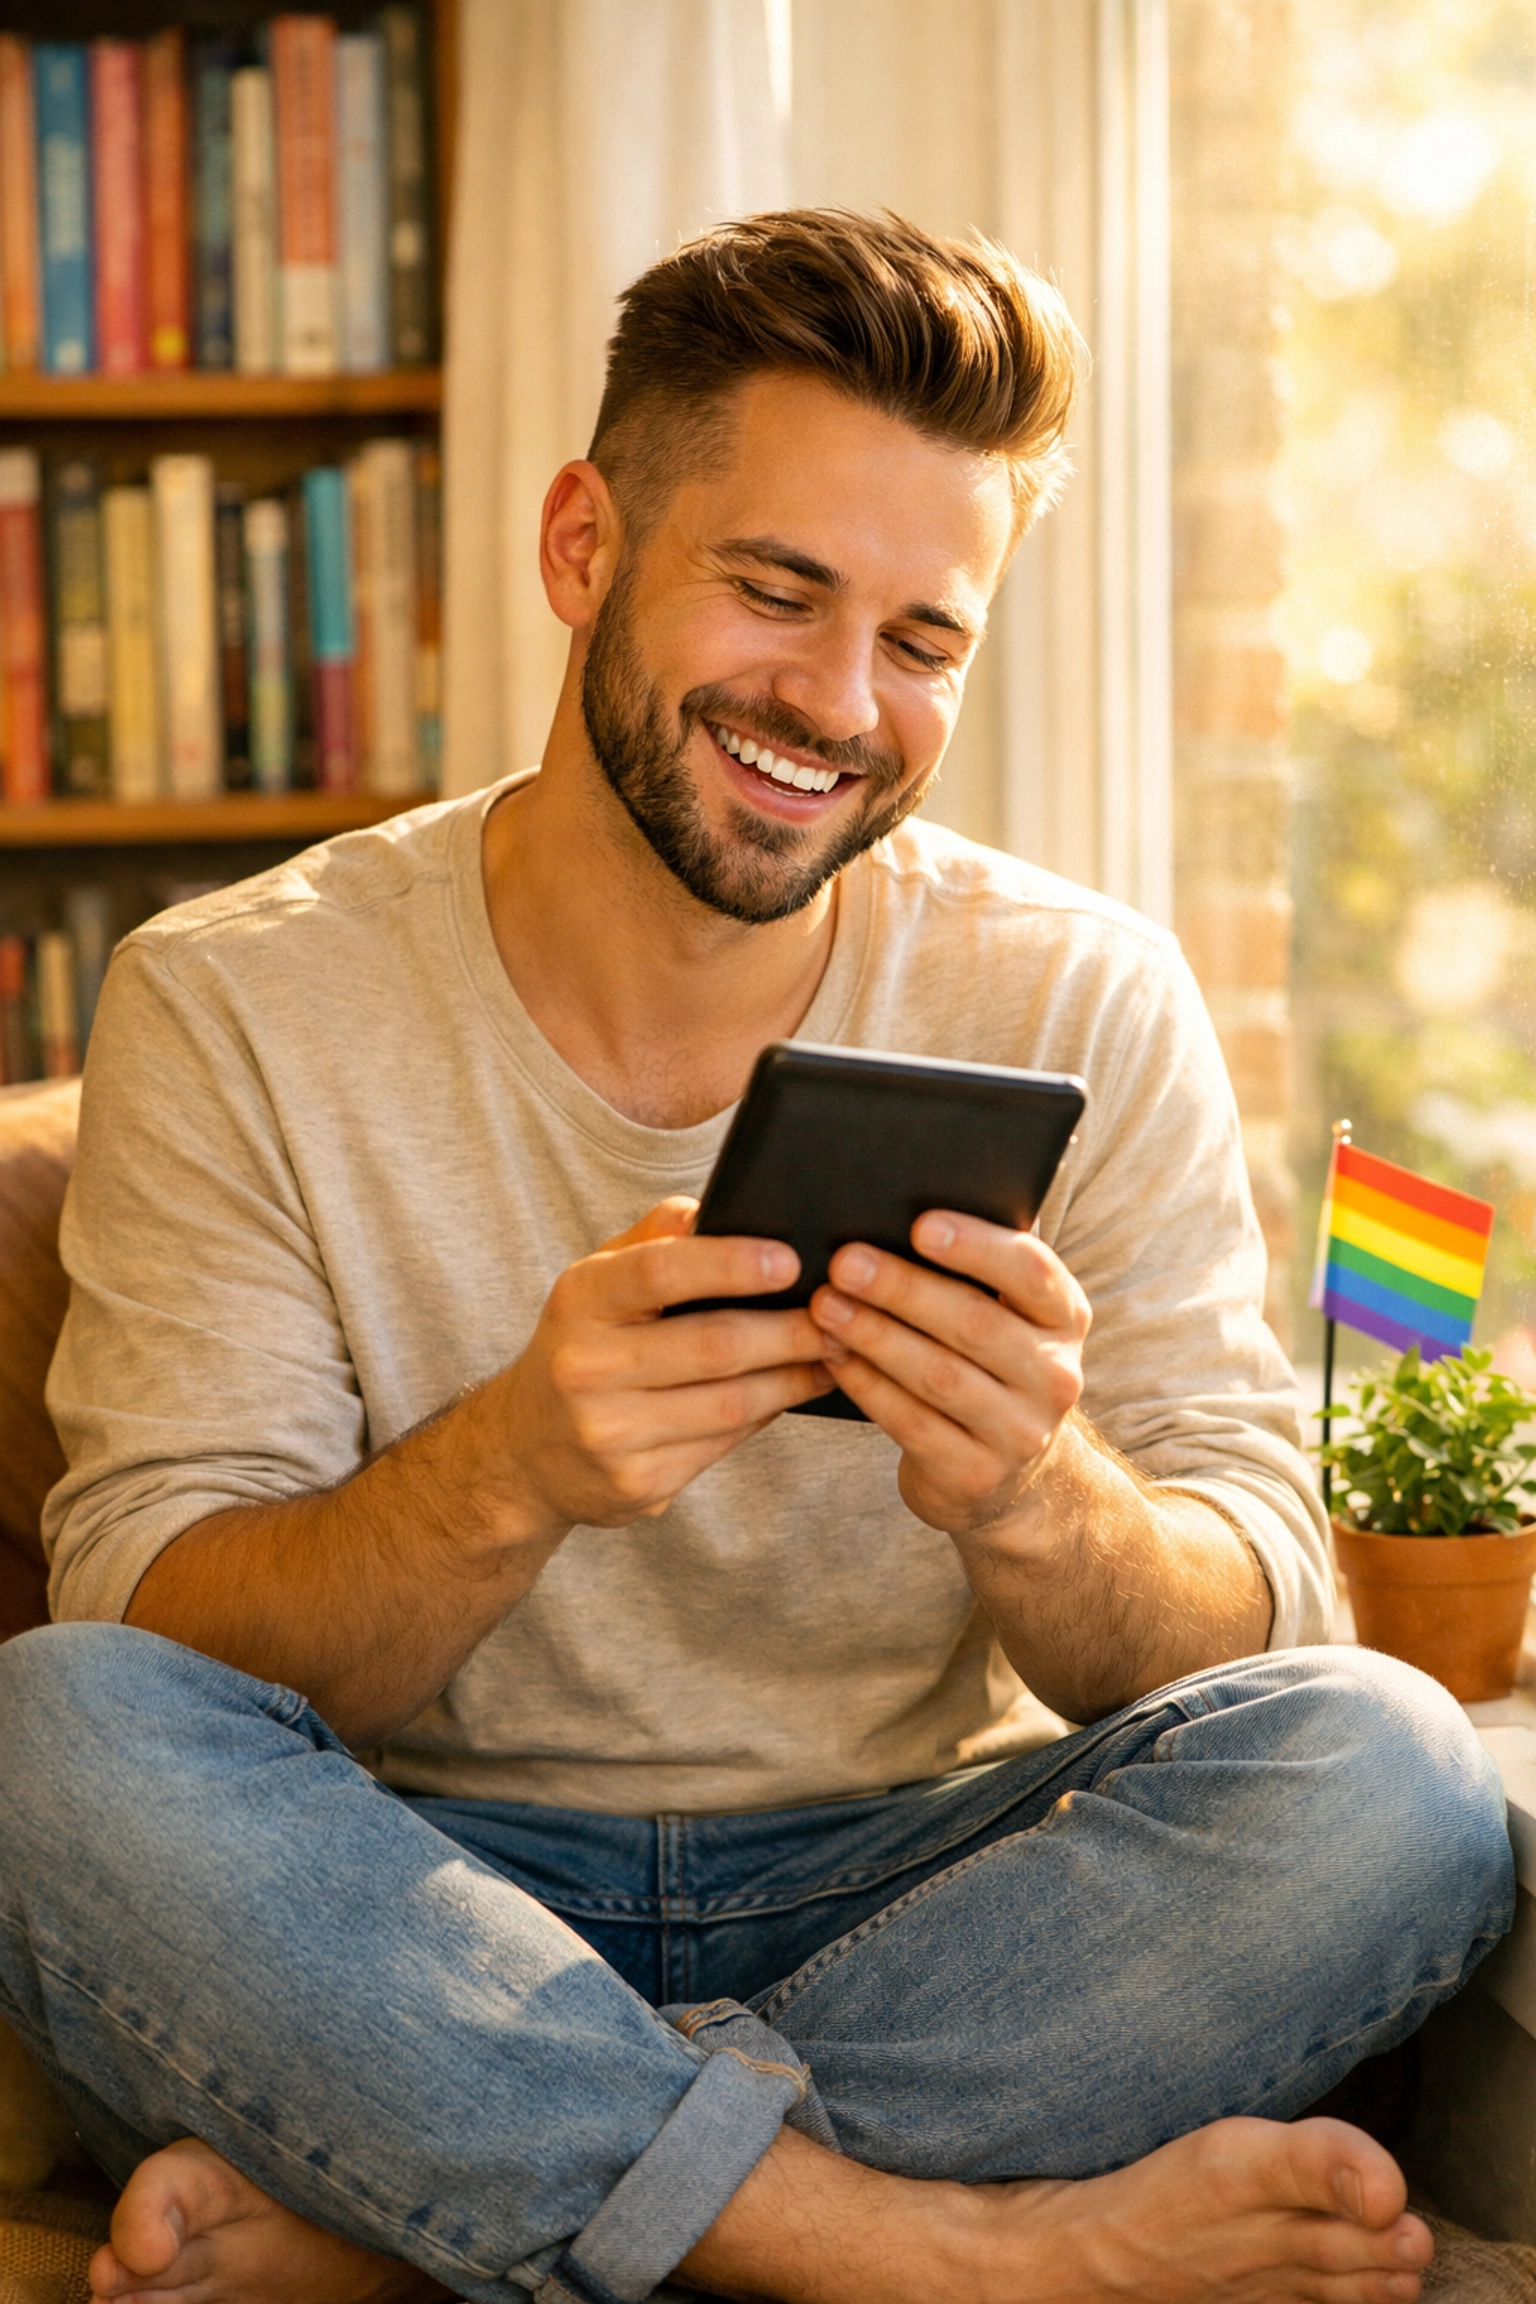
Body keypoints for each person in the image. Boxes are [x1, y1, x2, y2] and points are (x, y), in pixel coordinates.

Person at [0, 210, 1512, 2304]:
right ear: (582, 546)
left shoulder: (1080, 993)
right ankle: (941, 2259)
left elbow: (1262, 1599)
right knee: (49, 1731)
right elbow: (160, 1624)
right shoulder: (234, 1001)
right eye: (777, 592)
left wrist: (1036, 1500)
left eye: (923, 640)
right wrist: (509, 1467)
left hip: (922, 1895)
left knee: (1399, 1780)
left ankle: (422, 2230)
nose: (838, 704)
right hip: (402, 1900)